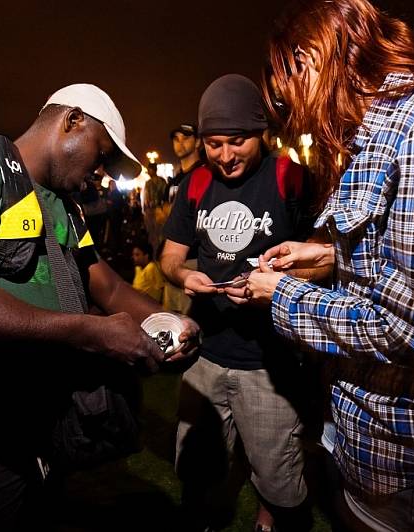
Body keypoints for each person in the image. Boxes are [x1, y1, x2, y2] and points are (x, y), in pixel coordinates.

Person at [235, 1, 414, 529]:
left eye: (288, 93)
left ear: (307, 60)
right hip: (370, 453)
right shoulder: (381, 132)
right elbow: (398, 259)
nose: (298, 116)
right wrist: (323, 255)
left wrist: (280, 294)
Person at [0, 83, 200, 531]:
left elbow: (107, 288)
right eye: (102, 153)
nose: (101, 172)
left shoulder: (65, 208)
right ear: (71, 121)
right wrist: (87, 332)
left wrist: (171, 321)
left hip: (30, 430)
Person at [160, 74, 312, 531]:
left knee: (277, 471)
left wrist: (276, 283)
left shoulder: (291, 178)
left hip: (270, 359)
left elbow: (326, 261)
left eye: (237, 141)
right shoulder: (194, 184)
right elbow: (169, 258)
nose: (225, 156)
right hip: (204, 354)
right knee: (196, 461)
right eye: (214, 144)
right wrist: (187, 275)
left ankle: (273, 512)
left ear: (261, 133)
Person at [162, 123, 205, 315]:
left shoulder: (205, 175)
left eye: (186, 137)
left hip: (195, 257)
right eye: (176, 138)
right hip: (172, 256)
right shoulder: (174, 181)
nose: (179, 143)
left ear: (198, 142)